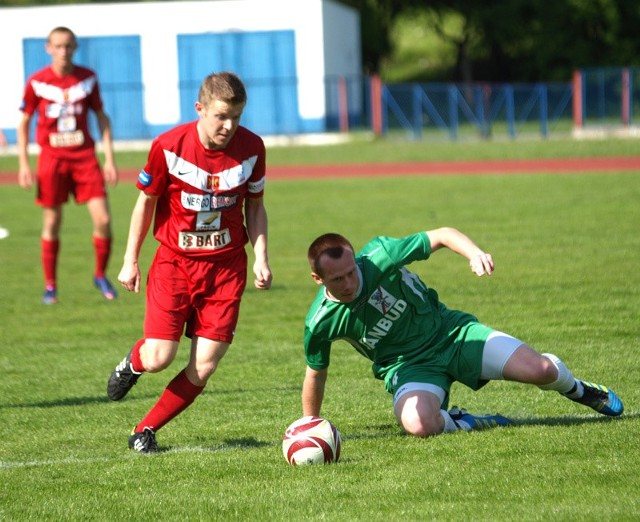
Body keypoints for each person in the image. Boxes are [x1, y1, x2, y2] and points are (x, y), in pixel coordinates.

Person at [302, 227, 623, 437]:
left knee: (541, 370)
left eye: (350, 272)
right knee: (419, 425)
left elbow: (441, 235)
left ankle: (580, 390)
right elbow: (316, 373)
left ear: (355, 258)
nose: (349, 283)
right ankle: (467, 420)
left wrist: (474, 253)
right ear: (318, 279)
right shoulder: (321, 321)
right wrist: (310, 425)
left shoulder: (379, 257)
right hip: (408, 367)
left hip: (452, 334)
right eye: (337, 280)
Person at [106, 71, 272, 453]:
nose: (228, 126)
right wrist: (130, 260)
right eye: (220, 116)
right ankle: (134, 362)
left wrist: (261, 256)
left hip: (227, 269)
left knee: (206, 365)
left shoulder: (253, 148)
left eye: (236, 117)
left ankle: (144, 430)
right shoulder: (168, 146)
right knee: (160, 357)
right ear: (199, 109)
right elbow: (145, 202)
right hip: (175, 265)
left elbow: (256, 205)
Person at [17, 26, 118, 305]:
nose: (63, 51)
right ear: (48, 48)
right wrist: (24, 163)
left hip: (84, 157)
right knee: (52, 222)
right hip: (52, 159)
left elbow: (102, 118)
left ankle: (100, 275)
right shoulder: (38, 81)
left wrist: (109, 158)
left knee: (104, 220)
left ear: (75, 48)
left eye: (69, 46)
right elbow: (24, 123)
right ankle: (51, 286)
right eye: (58, 46)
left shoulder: (87, 79)